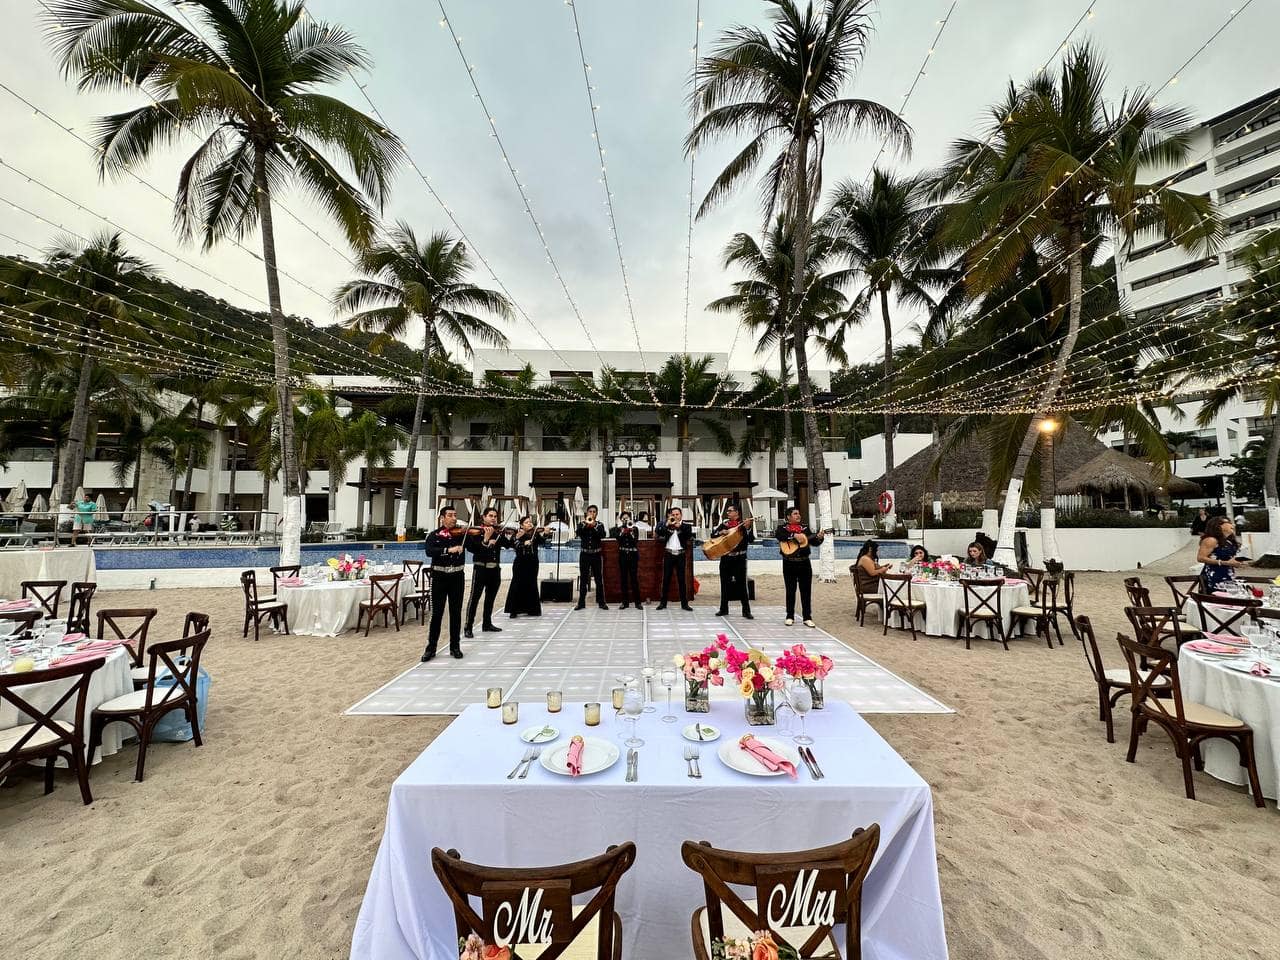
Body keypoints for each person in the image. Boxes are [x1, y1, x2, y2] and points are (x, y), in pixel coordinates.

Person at [422, 507, 467, 662]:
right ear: (442, 518)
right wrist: (449, 550)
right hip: (439, 577)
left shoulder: (462, 534)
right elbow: (430, 551)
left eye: (455, 515)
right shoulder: (434, 535)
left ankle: (455, 646)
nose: (454, 518)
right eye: (450, 515)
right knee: (437, 614)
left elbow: (477, 546)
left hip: (457, 577)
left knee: (456, 612)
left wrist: (486, 537)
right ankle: (431, 647)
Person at [775, 507, 825, 627]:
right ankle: (790, 616)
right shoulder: (782, 528)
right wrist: (793, 535)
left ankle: (807, 617)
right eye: (795, 514)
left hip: (804, 563)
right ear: (788, 517)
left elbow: (813, 543)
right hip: (789, 563)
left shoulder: (805, 528)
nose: (798, 515)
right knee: (790, 590)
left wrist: (819, 537)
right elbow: (779, 536)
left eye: (799, 513)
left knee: (806, 591)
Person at [462, 508, 507, 638]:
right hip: (481, 569)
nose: (493, 518)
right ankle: (468, 626)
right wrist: (486, 540)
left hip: (495, 570)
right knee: (474, 598)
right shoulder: (475, 533)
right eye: (491, 516)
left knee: (490, 598)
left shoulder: (498, 532)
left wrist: (516, 536)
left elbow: (509, 544)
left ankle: (487, 623)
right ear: (484, 517)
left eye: (495, 516)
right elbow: (474, 549)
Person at [711, 504, 754, 619]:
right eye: (728, 511)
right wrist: (720, 533)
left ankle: (746, 611)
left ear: (737, 513)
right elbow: (713, 535)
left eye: (730, 511)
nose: (728, 513)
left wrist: (748, 528)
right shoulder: (724, 524)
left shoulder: (744, 525)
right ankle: (723, 609)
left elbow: (751, 539)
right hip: (726, 558)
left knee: (742, 585)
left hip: (739, 558)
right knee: (724, 584)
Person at [504, 516, 545, 618]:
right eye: (526, 522)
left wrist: (546, 533)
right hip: (520, 562)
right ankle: (514, 610)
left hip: (533, 562)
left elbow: (542, 542)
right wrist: (522, 542)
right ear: (521, 525)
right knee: (517, 584)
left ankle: (532, 609)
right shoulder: (517, 534)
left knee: (531, 583)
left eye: (530, 522)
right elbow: (513, 545)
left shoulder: (534, 534)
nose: (529, 524)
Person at [655, 507, 695, 611]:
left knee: (682, 580)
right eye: (673, 514)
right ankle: (663, 603)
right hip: (669, 553)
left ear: (681, 515)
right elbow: (659, 533)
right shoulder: (668, 525)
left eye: (677, 514)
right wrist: (667, 525)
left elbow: (688, 536)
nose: (675, 516)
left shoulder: (686, 526)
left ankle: (684, 604)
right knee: (666, 579)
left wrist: (679, 527)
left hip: (680, 554)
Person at [1198, 515, 1248, 591]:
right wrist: (1225, 562)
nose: (1233, 525)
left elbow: (1228, 559)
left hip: (1228, 574)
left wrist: (1237, 563)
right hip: (1214, 576)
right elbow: (1200, 558)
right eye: (1229, 522)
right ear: (1218, 525)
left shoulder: (1228, 541)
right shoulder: (1211, 540)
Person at [575, 505, 609, 610]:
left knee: (599, 579)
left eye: (594, 512)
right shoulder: (581, 524)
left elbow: (602, 535)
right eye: (590, 511)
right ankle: (581, 603)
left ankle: (601, 602)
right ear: (587, 513)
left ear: (596, 514)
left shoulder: (600, 525)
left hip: (596, 555)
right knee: (584, 579)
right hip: (585, 555)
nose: (592, 513)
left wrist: (593, 526)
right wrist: (586, 525)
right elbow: (578, 533)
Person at [610, 511, 643, 609]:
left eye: (627, 518)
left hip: (633, 556)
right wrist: (622, 532)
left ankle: (638, 602)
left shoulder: (634, 528)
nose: (625, 520)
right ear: (621, 520)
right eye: (623, 518)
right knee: (623, 579)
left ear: (630, 519)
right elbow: (618, 539)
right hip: (623, 555)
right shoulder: (618, 529)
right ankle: (625, 602)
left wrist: (631, 531)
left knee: (634, 579)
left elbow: (635, 541)